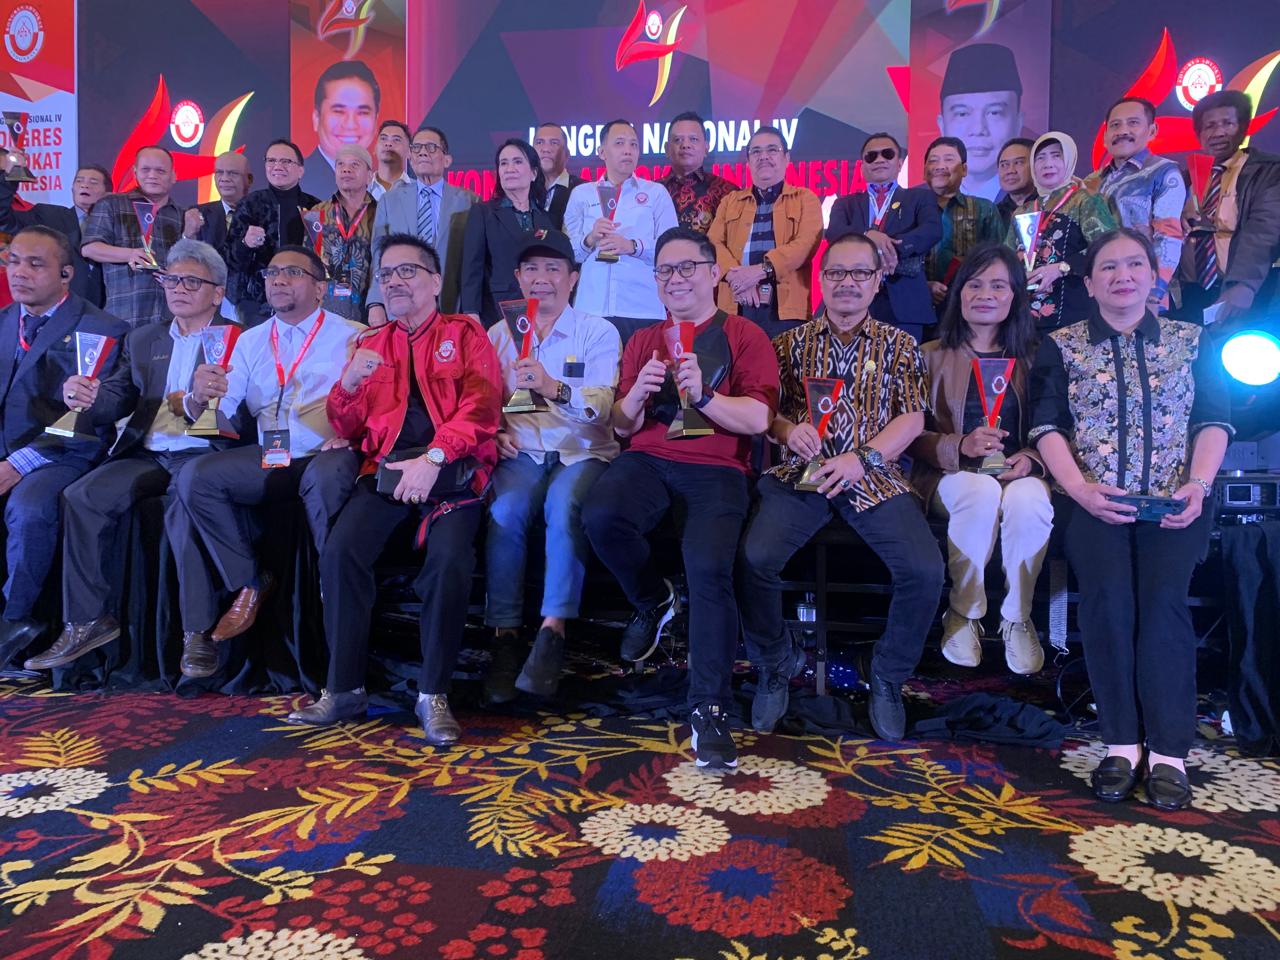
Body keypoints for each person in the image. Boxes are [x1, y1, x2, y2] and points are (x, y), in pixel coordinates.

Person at [1030, 228, 1232, 810]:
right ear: (1090, 284)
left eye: (1135, 264)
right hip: (1094, 501)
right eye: (1109, 268)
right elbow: (1046, 427)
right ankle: (1121, 744)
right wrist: (1080, 490)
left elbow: (1213, 420)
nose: (1123, 276)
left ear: (1152, 275)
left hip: (1176, 501)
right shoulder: (1061, 345)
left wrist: (1198, 485)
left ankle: (1168, 753)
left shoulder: (1192, 340)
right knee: (1108, 602)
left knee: (1163, 603)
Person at [287, 234, 502, 745]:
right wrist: (348, 385)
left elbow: (482, 407)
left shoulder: (465, 333)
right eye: (386, 275)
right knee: (341, 551)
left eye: (408, 271)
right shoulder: (371, 343)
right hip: (385, 474)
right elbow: (347, 425)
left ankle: (433, 693)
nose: (395, 282)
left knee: (449, 561)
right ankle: (344, 688)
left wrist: (434, 457)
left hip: (452, 475)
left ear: (435, 281)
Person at [583, 226, 779, 770]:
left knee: (709, 568)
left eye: (687, 267)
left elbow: (759, 420)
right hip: (648, 458)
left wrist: (706, 396)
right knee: (600, 515)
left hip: (718, 467)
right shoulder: (644, 339)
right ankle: (653, 600)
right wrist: (636, 397)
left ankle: (709, 709)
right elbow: (622, 427)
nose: (676, 279)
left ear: (714, 273)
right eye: (665, 270)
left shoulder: (743, 334)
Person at [738, 233, 943, 742]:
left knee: (925, 570)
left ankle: (887, 673)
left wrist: (863, 458)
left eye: (859, 273)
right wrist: (787, 431)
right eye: (836, 273)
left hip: (873, 475)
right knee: (754, 559)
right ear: (821, 279)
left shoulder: (900, 345)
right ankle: (776, 660)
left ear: (877, 281)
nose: (847, 282)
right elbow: (768, 415)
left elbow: (913, 418)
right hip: (801, 476)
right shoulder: (788, 344)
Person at [23, 240, 238, 677]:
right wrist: (87, 396)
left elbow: (247, 410)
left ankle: (197, 633)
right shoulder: (144, 339)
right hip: (150, 451)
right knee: (81, 496)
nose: (178, 289)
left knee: (183, 506)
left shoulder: (241, 338)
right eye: (171, 280)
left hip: (206, 453)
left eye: (191, 282)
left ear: (217, 292)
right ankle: (86, 621)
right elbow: (118, 398)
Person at [176, 246, 361, 650]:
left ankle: (334, 594)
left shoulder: (352, 335)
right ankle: (249, 580)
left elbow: (373, 401)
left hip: (327, 450)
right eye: (272, 273)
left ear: (320, 288)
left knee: (326, 479)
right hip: (270, 453)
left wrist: (357, 433)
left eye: (292, 272)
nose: (278, 280)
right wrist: (198, 399)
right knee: (195, 477)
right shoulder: (250, 340)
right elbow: (222, 414)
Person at [484, 230, 620, 702]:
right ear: (518, 277)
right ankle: (504, 637)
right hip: (520, 450)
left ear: (573, 278)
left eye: (552, 269)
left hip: (581, 449)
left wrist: (553, 387)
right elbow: (483, 399)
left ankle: (552, 632)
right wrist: (492, 432)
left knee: (564, 509)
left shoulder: (597, 331)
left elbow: (603, 409)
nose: (541, 278)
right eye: (531, 269)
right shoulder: (498, 334)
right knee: (505, 513)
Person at [909, 243, 1050, 674]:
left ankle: (1017, 616)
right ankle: (964, 612)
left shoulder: (1037, 357)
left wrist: (1030, 459)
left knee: (1030, 499)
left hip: (1016, 474)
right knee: (978, 490)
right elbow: (908, 435)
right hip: (950, 477)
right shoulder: (928, 355)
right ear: (959, 294)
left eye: (998, 286)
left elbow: (1055, 427)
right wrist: (959, 445)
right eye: (974, 284)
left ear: (1015, 296)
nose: (985, 294)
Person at [0, 226, 128, 667]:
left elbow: (85, 417)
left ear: (66, 274)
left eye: (36, 264)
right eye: (14, 261)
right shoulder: (4, 320)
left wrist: (17, 464)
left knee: (29, 508)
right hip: (8, 452)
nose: (20, 272)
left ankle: (15, 620)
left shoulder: (101, 328)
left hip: (65, 453)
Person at [563, 119, 678, 345]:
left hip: (642, 307)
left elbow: (672, 249)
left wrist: (633, 246)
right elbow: (568, 254)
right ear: (601, 152)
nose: (628, 150)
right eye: (619, 143)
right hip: (592, 308)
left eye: (633, 144)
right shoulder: (582, 194)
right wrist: (590, 239)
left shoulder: (655, 193)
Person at [707, 126, 822, 338]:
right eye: (756, 151)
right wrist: (737, 278)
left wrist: (761, 271)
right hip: (736, 301)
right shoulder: (730, 201)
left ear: (786, 158)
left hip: (786, 309)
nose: (764, 157)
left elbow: (806, 244)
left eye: (772, 150)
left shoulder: (805, 199)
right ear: (748, 161)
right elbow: (712, 243)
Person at [827, 133, 942, 342]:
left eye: (887, 154)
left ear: (899, 163)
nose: (879, 160)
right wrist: (868, 237)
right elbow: (834, 233)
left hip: (906, 305)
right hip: (854, 304)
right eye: (871, 156)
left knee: (904, 363)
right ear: (862, 167)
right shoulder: (845, 204)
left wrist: (890, 247)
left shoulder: (920, 197)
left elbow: (931, 230)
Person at [1179, 89, 1280, 325]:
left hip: (1247, 291)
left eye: (1228, 123)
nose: (1218, 132)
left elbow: (1264, 230)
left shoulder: (1268, 171)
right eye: (1210, 126)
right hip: (1190, 294)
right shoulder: (1184, 178)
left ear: (1243, 128)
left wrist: (1243, 284)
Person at [1004, 132, 1118, 334]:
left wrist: (1062, 268)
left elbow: (1108, 248)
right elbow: (1007, 256)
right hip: (1023, 316)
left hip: (1071, 313)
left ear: (1070, 160)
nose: (1047, 164)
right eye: (1040, 158)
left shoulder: (1085, 200)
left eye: (1056, 156)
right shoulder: (1023, 210)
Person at [1083, 97, 1186, 311]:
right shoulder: (1091, 182)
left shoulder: (1164, 172)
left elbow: (1168, 237)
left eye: (1133, 123)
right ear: (1105, 136)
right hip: (1099, 294)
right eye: (1115, 125)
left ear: (1152, 131)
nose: (1122, 131)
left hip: (1143, 294)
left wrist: (1154, 292)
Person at [367, 126, 477, 321]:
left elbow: (475, 261)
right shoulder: (390, 201)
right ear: (410, 157)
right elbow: (378, 255)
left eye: (431, 147)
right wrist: (376, 303)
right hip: (401, 305)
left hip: (452, 305)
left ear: (447, 160)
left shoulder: (468, 201)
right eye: (417, 148)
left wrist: (472, 308)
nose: (423, 152)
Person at [81, 146, 184, 327]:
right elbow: (89, 248)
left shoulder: (181, 215)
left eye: (160, 171)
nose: (152, 175)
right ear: (135, 172)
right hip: (124, 314)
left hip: (171, 319)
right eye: (145, 169)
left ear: (173, 176)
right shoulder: (112, 204)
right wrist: (130, 254)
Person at [459, 139, 556, 327]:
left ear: (534, 173)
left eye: (517, 162)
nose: (509, 169)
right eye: (504, 163)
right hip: (496, 311)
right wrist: (471, 312)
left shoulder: (546, 219)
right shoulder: (483, 212)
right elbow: (472, 268)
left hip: (540, 310)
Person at [224, 140, 321, 327]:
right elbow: (230, 259)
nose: (277, 166)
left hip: (303, 301)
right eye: (271, 160)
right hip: (258, 305)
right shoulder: (250, 204)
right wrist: (245, 244)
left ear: (301, 170)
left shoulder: (315, 207)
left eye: (286, 161)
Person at [0, 155, 108, 306]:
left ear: (108, 193)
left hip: (108, 309)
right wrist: (9, 179)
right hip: (62, 307)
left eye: (93, 182)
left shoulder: (119, 224)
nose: (84, 185)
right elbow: (3, 218)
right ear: (72, 189)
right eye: (79, 181)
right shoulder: (48, 216)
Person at [922, 137, 1004, 310]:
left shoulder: (985, 209)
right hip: (919, 306)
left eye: (949, 159)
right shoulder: (910, 210)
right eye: (933, 161)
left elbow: (998, 260)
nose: (940, 166)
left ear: (964, 169)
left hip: (969, 305)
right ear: (924, 171)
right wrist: (923, 285)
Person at [937, 43, 1026, 202]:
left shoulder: (1035, 201)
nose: (978, 129)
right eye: (962, 114)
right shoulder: (920, 201)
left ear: (1018, 123)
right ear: (942, 126)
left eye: (994, 113)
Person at [310, 144, 378, 321]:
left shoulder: (381, 213)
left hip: (370, 310)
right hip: (325, 310)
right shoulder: (316, 213)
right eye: (340, 164)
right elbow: (309, 263)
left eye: (355, 165)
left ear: (369, 176)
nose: (346, 169)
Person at [299, 60, 380, 199]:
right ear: (316, 118)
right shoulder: (298, 181)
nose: (350, 124)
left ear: (376, 119)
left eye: (362, 112)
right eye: (338, 111)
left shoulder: (382, 186)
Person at [659, 112, 736, 233]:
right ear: (667, 149)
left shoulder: (728, 192)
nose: (685, 145)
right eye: (678, 140)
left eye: (693, 139)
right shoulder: (652, 193)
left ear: (706, 148)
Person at [192, 152, 253, 254]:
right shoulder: (198, 213)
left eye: (233, 173)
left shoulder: (263, 214)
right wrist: (187, 235)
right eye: (219, 172)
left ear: (249, 179)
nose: (224, 179)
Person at [533, 123, 583, 230]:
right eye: (540, 142)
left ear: (567, 154)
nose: (546, 149)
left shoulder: (583, 189)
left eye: (554, 143)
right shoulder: (524, 190)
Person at [994, 138, 1036, 228]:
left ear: (1036, 166)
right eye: (1004, 165)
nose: (1010, 171)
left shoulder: (1050, 207)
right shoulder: (993, 214)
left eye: (1018, 163)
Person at [371, 119, 413, 200]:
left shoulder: (419, 192)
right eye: (383, 138)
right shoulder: (360, 190)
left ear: (409, 152)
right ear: (375, 148)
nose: (388, 143)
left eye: (396, 140)